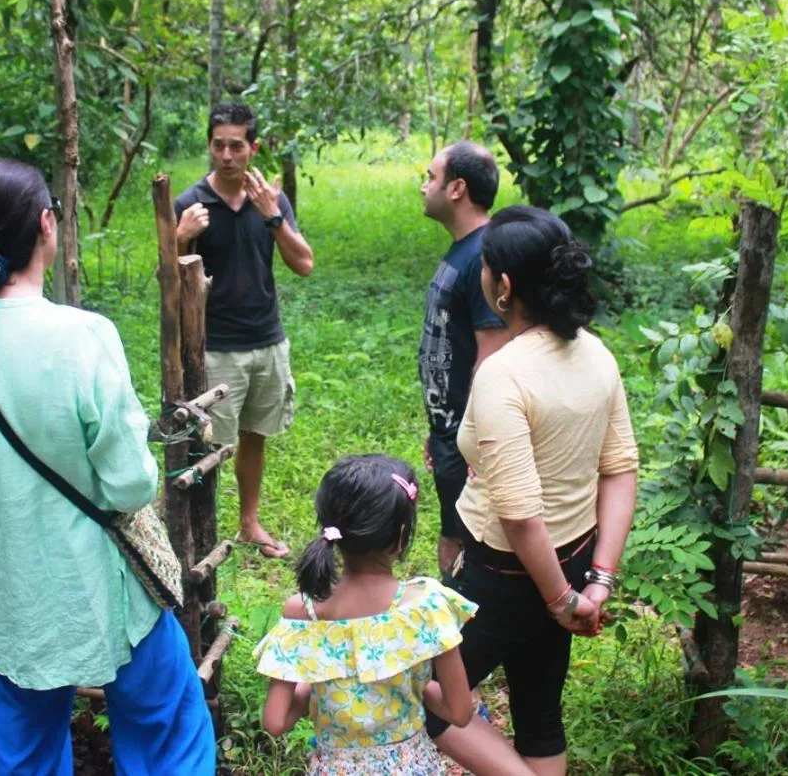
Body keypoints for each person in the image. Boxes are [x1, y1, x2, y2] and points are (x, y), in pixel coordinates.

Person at [0, 159, 215, 776]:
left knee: (26, 752)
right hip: (102, 588)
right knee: (168, 732)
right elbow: (130, 483)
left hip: (9, 593)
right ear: (47, 224)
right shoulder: (83, 335)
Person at [425, 206, 640, 776]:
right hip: (572, 561)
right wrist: (595, 582)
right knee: (539, 714)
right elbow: (620, 469)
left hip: (502, 575)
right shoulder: (595, 352)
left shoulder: (505, 373)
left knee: (429, 697)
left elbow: (520, 516)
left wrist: (561, 603)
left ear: (503, 285)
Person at [254, 455, 478, 775]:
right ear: (402, 533)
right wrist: (414, 683)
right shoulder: (427, 605)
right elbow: (459, 712)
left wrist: (321, 683)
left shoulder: (303, 611)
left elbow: (276, 721)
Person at [174, 102, 315, 559]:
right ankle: (199, 530)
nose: (227, 155)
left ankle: (250, 523)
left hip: (266, 339)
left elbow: (304, 264)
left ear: (253, 148)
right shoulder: (191, 204)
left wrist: (272, 215)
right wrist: (180, 237)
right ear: (209, 146)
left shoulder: (268, 200)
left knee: (255, 435)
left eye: (237, 146)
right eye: (219, 145)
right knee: (208, 444)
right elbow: (165, 279)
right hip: (214, 346)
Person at [418, 141, 508, 577]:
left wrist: (474, 437)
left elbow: (491, 356)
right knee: (452, 535)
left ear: (456, 189)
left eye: (431, 177)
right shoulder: (463, 250)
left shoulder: (482, 257)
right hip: (451, 429)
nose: (423, 187)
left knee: (464, 545)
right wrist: (438, 426)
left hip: (468, 437)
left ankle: (463, 616)